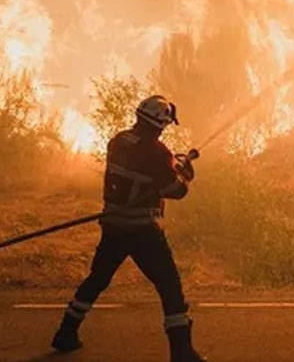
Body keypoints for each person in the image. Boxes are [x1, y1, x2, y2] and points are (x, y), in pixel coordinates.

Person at [51, 95, 206, 362]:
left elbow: (144, 174)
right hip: (142, 230)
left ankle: (66, 333)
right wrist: (184, 175)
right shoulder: (158, 154)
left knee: (97, 279)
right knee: (169, 285)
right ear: (161, 124)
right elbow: (176, 191)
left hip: (113, 226)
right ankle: (181, 351)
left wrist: (171, 167)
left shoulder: (118, 141)